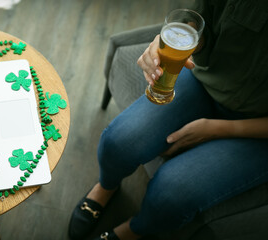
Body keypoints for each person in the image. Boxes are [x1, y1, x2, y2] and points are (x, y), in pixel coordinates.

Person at [68, 0, 268, 239]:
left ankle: (134, 231)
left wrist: (217, 129)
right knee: (118, 141)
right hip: (207, 83)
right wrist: (174, 42)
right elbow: (202, 21)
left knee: (170, 195)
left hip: (260, 134)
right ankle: (106, 186)